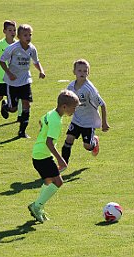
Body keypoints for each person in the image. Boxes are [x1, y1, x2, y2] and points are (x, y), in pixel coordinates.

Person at [28, 89, 80, 223]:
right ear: (64, 107)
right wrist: (60, 159)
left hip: (38, 153)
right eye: (73, 108)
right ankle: (37, 206)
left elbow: (41, 121)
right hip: (43, 155)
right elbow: (49, 142)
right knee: (58, 182)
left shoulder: (51, 113)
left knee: (49, 181)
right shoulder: (56, 121)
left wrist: (43, 131)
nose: (74, 111)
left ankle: (38, 206)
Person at [0, 24, 45, 138]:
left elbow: (36, 61)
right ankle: (6, 106)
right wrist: (9, 74)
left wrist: (41, 70)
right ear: (19, 36)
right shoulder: (13, 48)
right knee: (13, 109)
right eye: (25, 35)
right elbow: (1, 60)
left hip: (25, 81)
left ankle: (22, 132)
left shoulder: (32, 49)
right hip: (12, 82)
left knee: (26, 104)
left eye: (30, 35)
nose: (28, 37)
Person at [61, 59, 110, 164]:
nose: (82, 73)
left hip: (89, 121)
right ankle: (63, 164)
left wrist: (104, 123)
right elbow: (66, 101)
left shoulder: (90, 89)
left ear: (88, 72)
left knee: (87, 146)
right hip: (77, 119)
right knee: (69, 139)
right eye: (79, 70)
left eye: (85, 71)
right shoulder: (70, 87)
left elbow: (102, 104)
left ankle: (94, 142)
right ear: (74, 72)